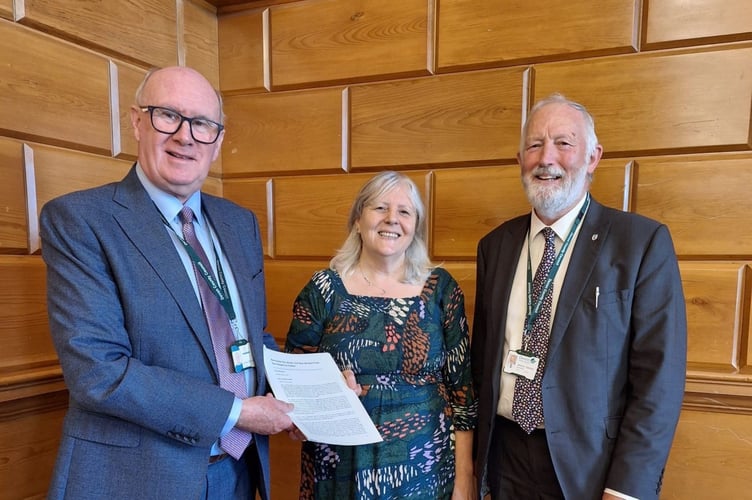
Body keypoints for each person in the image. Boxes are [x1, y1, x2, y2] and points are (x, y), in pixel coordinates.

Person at [40, 66, 295, 500]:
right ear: (137, 122)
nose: (185, 135)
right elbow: (99, 372)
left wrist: (310, 390)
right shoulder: (80, 220)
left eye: (202, 123)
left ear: (218, 139)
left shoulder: (240, 223)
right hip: (139, 477)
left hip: (238, 471)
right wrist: (238, 413)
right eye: (167, 116)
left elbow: (249, 339)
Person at [471, 94, 687, 500]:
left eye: (563, 143)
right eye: (535, 145)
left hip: (591, 472)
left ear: (592, 158)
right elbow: (483, 361)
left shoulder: (639, 243)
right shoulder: (495, 246)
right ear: (520, 159)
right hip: (503, 463)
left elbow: (659, 379)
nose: (546, 158)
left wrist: (626, 489)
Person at [284, 171, 478, 499]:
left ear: (416, 226)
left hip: (427, 471)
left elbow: (463, 393)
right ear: (358, 219)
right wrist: (325, 390)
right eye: (379, 208)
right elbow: (292, 380)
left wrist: (464, 479)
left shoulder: (441, 289)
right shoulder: (323, 290)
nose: (392, 219)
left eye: (404, 211)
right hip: (341, 469)